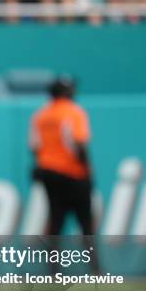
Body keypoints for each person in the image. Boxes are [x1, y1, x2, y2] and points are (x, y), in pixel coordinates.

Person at [29, 77, 94, 236]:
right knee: (85, 223)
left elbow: (34, 147)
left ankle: (52, 260)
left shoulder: (41, 115)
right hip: (74, 173)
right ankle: (94, 261)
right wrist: (88, 171)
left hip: (49, 173)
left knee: (56, 220)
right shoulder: (74, 111)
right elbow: (80, 144)